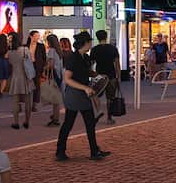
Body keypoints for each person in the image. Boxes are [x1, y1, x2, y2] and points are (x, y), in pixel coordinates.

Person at [54, 31, 109, 162]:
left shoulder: (85, 57)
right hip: (74, 94)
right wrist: (84, 87)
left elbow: (86, 71)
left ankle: (94, 150)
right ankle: (60, 151)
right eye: (89, 42)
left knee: (89, 123)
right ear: (84, 43)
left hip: (84, 94)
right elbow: (67, 79)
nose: (91, 44)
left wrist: (97, 75)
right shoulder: (73, 58)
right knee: (69, 123)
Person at [91, 30, 121, 125]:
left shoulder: (95, 49)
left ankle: (98, 111)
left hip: (99, 75)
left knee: (94, 94)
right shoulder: (112, 48)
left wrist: (93, 75)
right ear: (106, 37)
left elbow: (91, 63)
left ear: (97, 37)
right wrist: (119, 77)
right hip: (111, 75)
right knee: (110, 97)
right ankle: (109, 117)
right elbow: (117, 64)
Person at [7, 34, 34, 131]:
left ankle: (15, 122)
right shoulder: (25, 50)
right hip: (26, 77)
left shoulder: (10, 52)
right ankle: (27, 121)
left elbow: (10, 63)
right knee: (28, 102)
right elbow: (30, 61)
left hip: (15, 78)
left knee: (15, 102)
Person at [42, 33, 64, 127]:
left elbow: (50, 64)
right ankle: (55, 116)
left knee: (55, 99)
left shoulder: (51, 50)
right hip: (59, 75)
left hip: (53, 75)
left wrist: (44, 69)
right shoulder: (59, 51)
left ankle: (56, 118)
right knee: (56, 98)